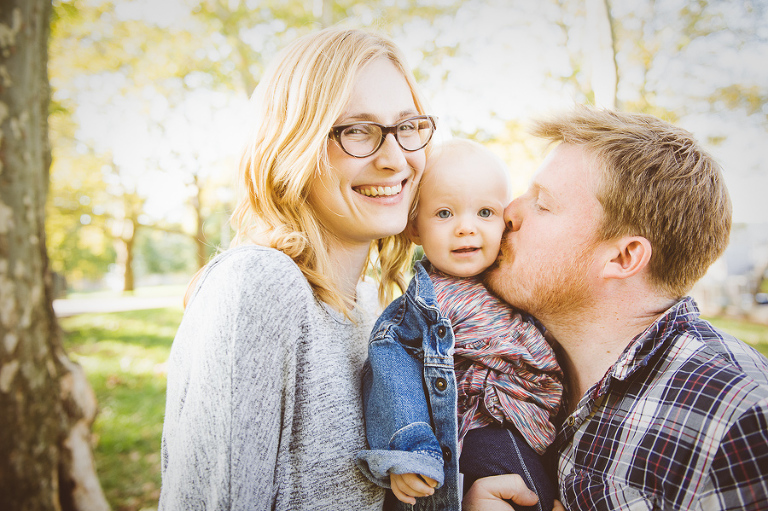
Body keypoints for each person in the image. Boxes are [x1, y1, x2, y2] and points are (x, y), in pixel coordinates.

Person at [158, 27, 438, 510]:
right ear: (295, 145)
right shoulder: (261, 284)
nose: (395, 159)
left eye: (408, 127)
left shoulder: (375, 306)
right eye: (357, 130)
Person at [466, 106, 768, 510]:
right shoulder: (506, 363)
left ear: (623, 257)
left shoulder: (738, 415)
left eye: (542, 203)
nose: (508, 213)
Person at [357, 139, 563, 511]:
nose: (466, 228)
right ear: (415, 228)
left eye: (485, 212)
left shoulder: (516, 280)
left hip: (538, 436)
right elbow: (391, 372)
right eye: (444, 214)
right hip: (483, 433)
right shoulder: (423, 307)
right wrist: (410, 449)